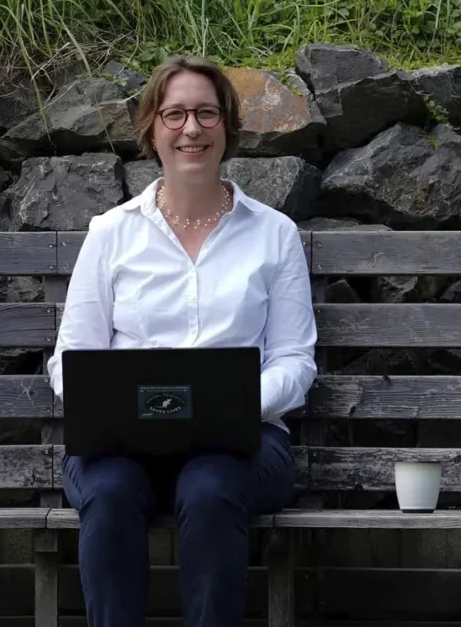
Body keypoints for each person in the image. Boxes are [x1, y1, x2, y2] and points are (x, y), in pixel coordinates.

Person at [45, 54, 319, 627]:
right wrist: (112, 406)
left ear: (227, 128)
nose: (191, 128)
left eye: (206, 113)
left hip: (241, 444)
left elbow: (294, 360)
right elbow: (70, 359)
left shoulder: (275, 235)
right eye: (174, 114)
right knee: (112, 493)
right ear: (151, 130)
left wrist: (238, 406)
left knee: (210, 488)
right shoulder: (111, 233)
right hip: (121, 444)